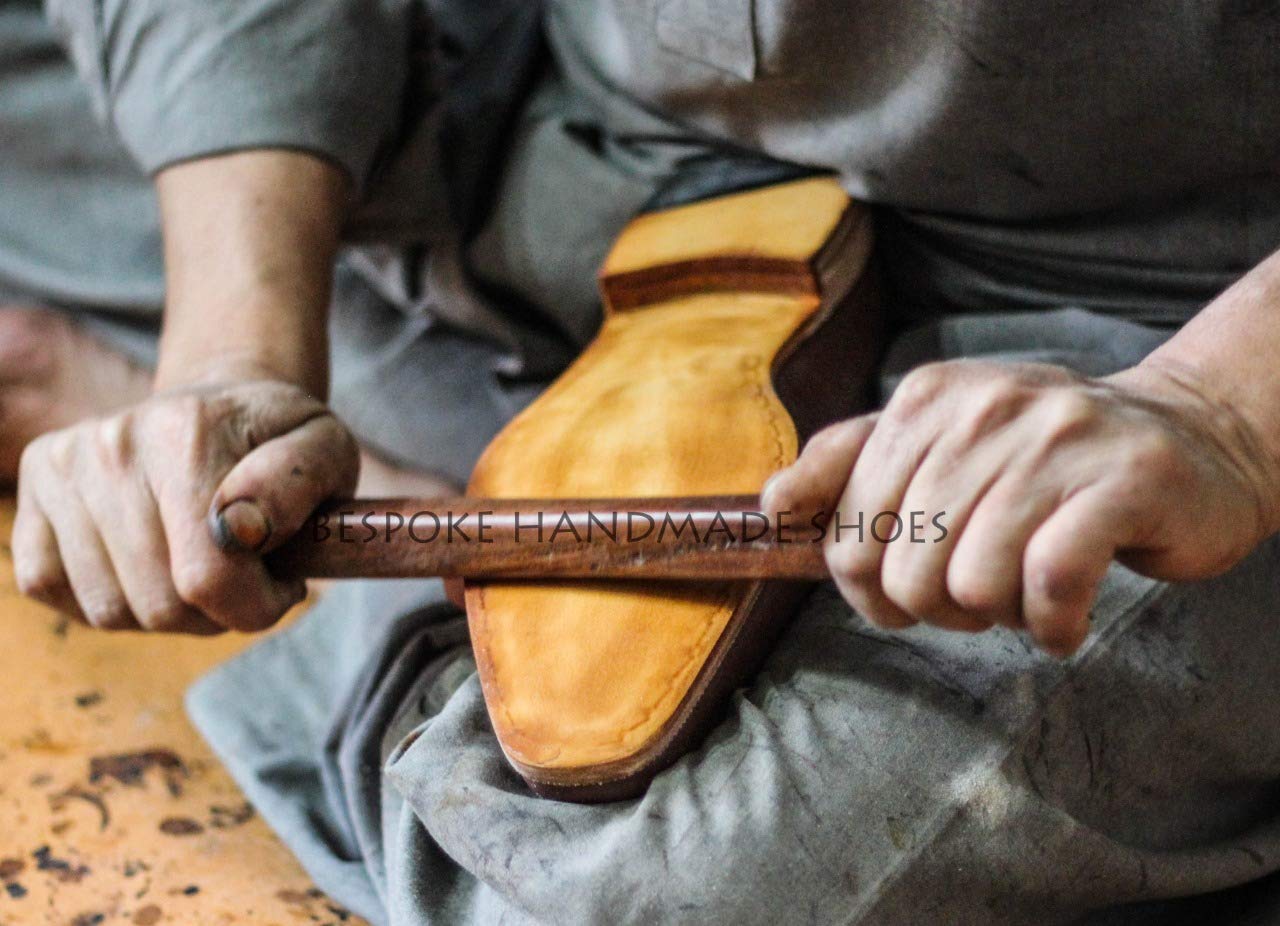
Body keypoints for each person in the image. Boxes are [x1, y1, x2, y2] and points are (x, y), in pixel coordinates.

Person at [5, 0, 1280, 922]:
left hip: (1146, 326)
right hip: (577, 149)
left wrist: (1215, 408)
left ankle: (430, 520)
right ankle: (430, 465)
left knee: (661, 890)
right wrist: (233, 353)